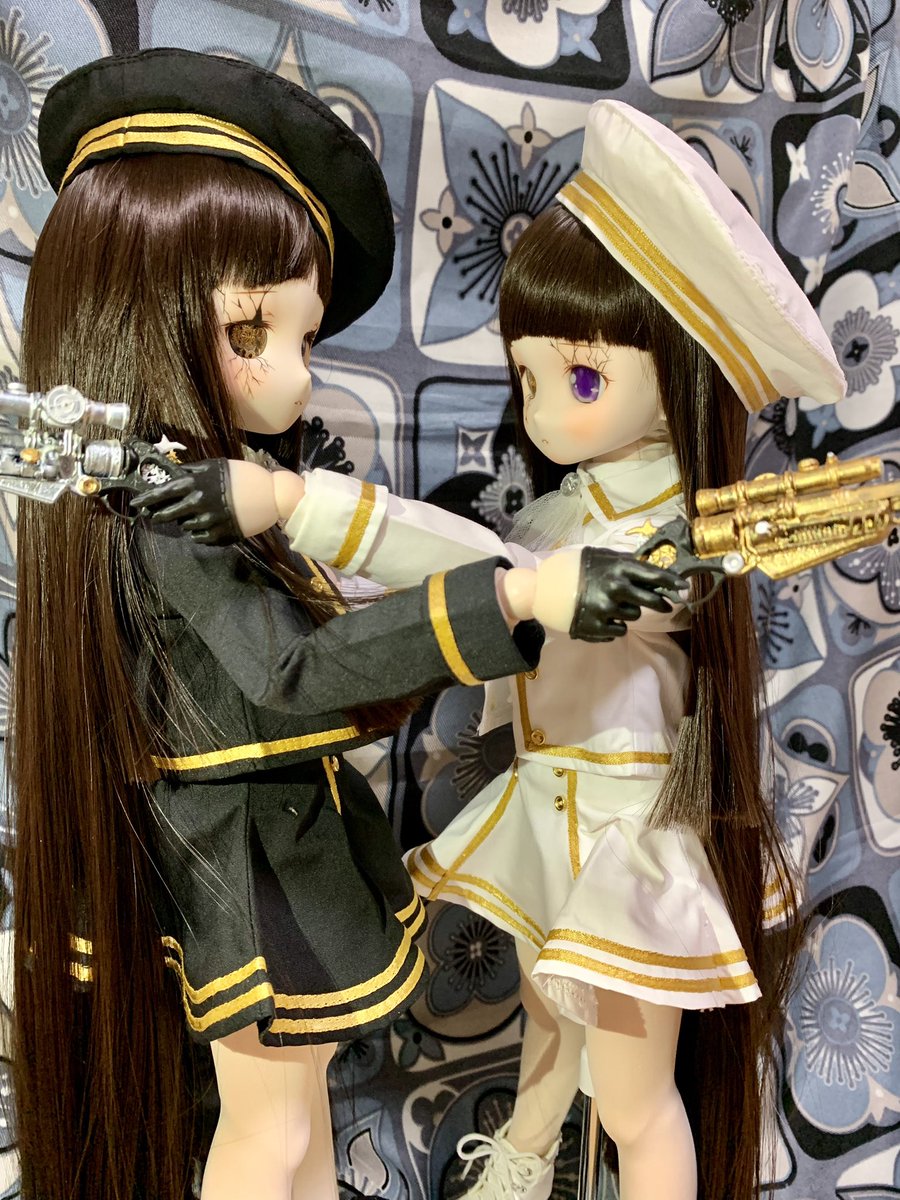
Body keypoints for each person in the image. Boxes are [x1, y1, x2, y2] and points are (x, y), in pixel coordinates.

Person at [10, 56, 683, 1200]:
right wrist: (514, 601)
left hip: (272, 831)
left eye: (305, 342)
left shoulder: (191, 492)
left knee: (293, 1110)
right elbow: (292, 674)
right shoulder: (164, 510)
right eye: (252, 333)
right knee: (272, 1127)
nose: (292, 382)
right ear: (137, 314)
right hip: (251, 854)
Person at [150, 102, 846, 1200]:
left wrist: (298, 502)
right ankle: (517, 1171)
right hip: (554, 816)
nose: (546, 412)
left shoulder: (680, 538)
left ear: (683, 372)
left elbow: (511, 574)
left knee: (635, 1101)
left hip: (624, 841)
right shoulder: (571, 513)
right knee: (546, 1030)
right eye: (530, 379)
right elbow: (491, 573)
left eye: (582, 379)